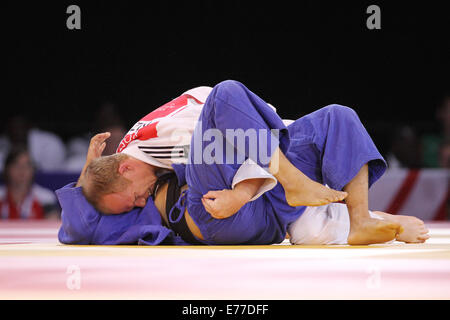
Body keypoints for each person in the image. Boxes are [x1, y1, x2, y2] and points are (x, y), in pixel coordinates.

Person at [57, 80, 429, 246]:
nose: (139, 201)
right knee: (225, 95)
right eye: (132, 205)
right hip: (219, 217)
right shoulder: (118, 203)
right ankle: (297, 181)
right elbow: (78, 224)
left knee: (337, 116)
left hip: (267, 210)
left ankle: (361, 220)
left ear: (122, 168)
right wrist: (86, 172)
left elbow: (238, 141)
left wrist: (245, 190)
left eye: (131, 197)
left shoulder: (160, 145)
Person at [0, 147, 60, 219]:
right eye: (16, 165)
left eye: (27, 165)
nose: (22, 170)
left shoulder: (45, 198)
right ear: (7, 169)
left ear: (32, 170)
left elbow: (52, 226)